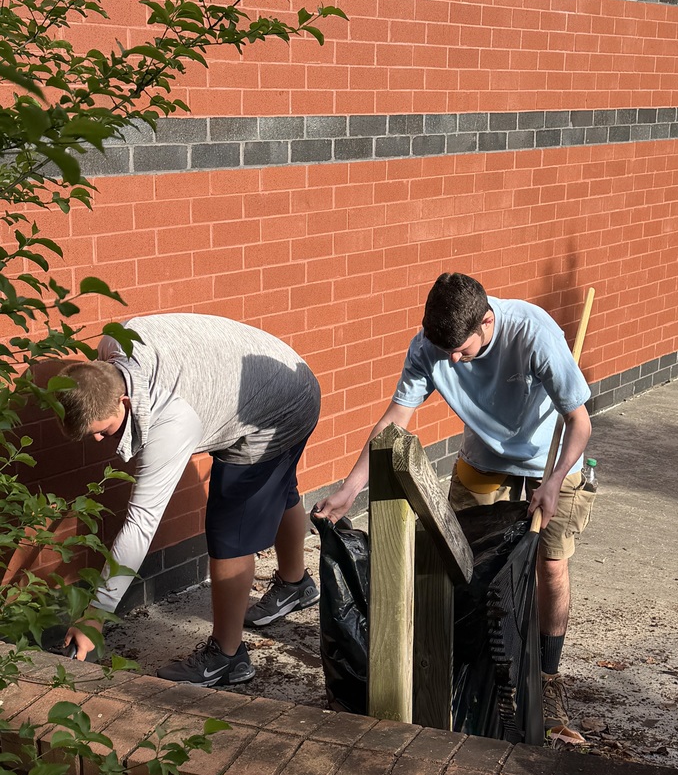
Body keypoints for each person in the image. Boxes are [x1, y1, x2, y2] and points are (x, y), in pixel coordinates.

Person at [315, 272, 595, 734]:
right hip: (484, 456)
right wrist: (350, 489)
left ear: (487, 321)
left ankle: (548, 676)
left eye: (461, 350)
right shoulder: (432, 345)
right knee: (459, 558)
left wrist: (554, 481)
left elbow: (579, 423)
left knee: (550, 564)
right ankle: (465, 666)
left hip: (553, 455)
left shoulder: (534, 333)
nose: (451, 359)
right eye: (443, 348)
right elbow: (394, 423)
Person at [59, 313, 321, 686]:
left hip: (279, 405)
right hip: (276, 375)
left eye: (103, 431)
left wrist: (95, 615)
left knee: (228, 530)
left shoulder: (171, 421)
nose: (99, 442)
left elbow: (140, 525)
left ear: (124, 400)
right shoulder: (114, 343)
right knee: (279, 487)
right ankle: (297, 585)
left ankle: (228, 658)